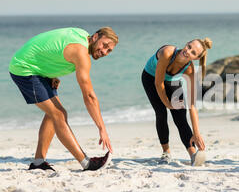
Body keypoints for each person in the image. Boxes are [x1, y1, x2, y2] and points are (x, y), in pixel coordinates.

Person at [9, 27, 119, 171]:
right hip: (24, 69)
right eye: (104, 45)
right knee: (59, 114)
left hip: (38, 69)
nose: (104, 52)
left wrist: (50, 74)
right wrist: (102, 128)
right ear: (96, 36)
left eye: (109, 51)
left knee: (54, 114)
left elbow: (51, 47)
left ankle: (38, 162)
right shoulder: (81, 52)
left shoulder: (82, 36)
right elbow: (89, 96)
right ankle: (87, 163)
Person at [141, 38, 211, 166]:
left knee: (181, 118)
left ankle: (193, 155)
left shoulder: (189, 69)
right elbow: (158, 83)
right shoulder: (167, 52)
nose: (188, 51)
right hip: (151, 79)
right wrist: (167, 103)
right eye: (189, 46)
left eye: (193, 52)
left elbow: (192, 105)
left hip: (172, 81)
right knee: (161, 113)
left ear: (195, 58)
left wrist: (196, 133)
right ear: (186, 43)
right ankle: (166, 152)